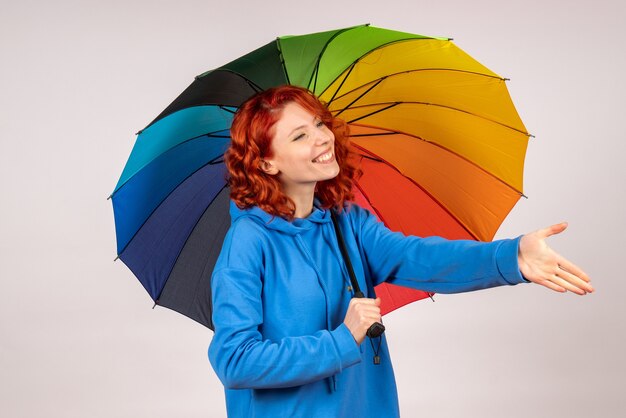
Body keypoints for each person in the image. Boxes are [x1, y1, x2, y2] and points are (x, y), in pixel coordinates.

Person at [208, 85, 593, 418]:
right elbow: (235, 360)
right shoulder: (248, 242)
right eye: (299, 136)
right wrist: (343, 339)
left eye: (320, 124)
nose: (322, 139)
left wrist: (510, 258)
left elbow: (418, 257)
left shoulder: (347, 222)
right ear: (265, 162)